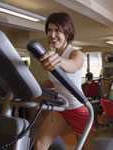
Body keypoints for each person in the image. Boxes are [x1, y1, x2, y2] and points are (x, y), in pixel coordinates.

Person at [34, 12, 91, 150]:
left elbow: (73, 65)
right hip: (61, 108)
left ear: (67, 32)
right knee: (40, 144)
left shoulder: (75, 53)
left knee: (85, 147)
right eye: (49, 30)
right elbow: (54, 82)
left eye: (57, 30)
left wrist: (59, 61)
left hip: (79, 109)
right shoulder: (52, 54)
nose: (52, 35)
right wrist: (32, 85)